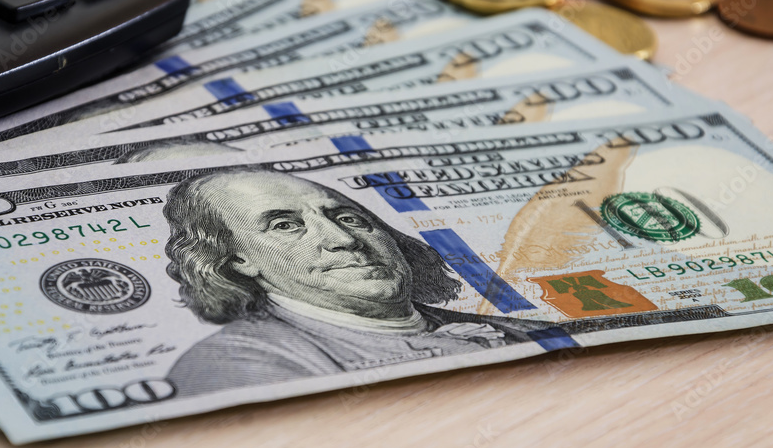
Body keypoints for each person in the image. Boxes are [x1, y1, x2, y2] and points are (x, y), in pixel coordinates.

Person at [163, 167, 564, 397]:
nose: (342, 239)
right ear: (237, 260)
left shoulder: (531, 332)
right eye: (286, 225)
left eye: (349, 218)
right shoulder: (238, 364)